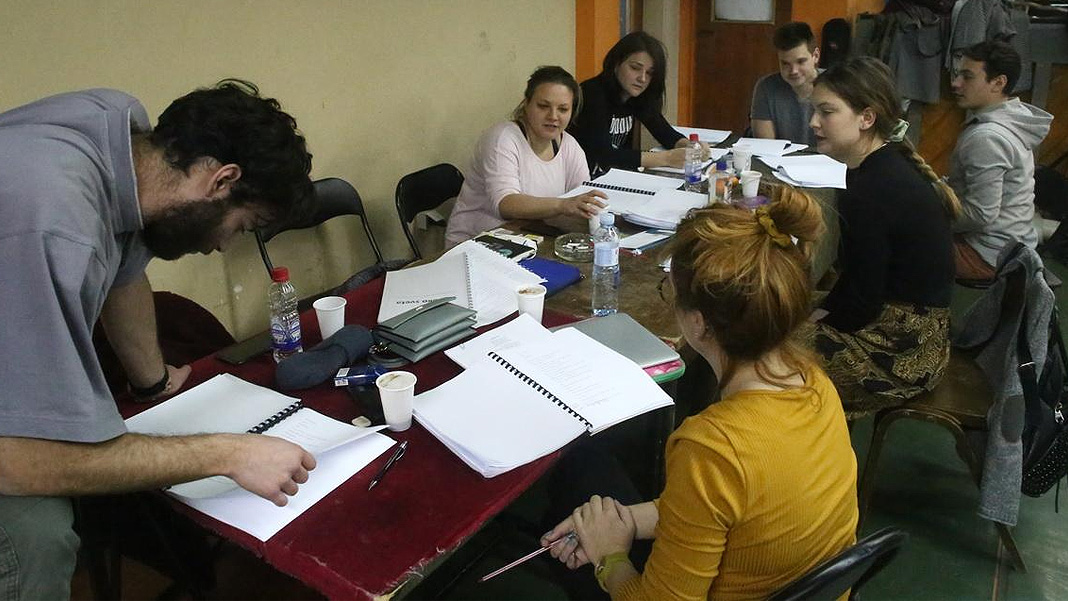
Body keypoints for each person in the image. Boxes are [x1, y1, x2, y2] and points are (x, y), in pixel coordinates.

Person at [0, 80, 316, 599]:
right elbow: (18, 458)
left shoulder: (124, 141)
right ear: (223, 180)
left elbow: (124, 271)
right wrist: (227, 454)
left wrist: (152, 384)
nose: (223, 246)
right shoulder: (55, 225)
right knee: (37, 535)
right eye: (243, 225)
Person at [543, 188, 859, 600]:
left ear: (697, 323)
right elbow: (724, 507)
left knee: (581, 464)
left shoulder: (711, 447)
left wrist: (609, 556)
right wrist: (628, 522)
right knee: (592, 469)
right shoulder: (814, 382)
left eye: (669, 291)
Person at [806, 57, 960, 416]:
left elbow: (862, 301)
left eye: (826, 112)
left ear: (867, 118)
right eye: (814, 111)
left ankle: (799, 436)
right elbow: (858, 281)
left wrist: (816, 321)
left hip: (904, 352)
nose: (814, 122)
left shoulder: (871, 189)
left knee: (764, 340)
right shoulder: (878, 167)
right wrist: (817, 312)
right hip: (914, 329)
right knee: (780, 305)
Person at [445, 66, 607, 247]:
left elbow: (580, 200)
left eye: (563, 109)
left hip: (532, 239)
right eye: (543, 106)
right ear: (526, 104)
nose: (553, 116)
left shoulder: (569, 145)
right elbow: (506, 204)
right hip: (475, 244)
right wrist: (562, 205)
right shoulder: (503, 138)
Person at [948, 40, 1053, 282]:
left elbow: (979, 214)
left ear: (998, 83)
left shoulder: (988, 137)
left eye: (967, 77)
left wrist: (926, 216)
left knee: (893, 233)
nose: (955, 83)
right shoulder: (1011, 120)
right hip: (1015, 246)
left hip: (987, 255)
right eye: (957, 74)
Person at [568, 31, 699, 175]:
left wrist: (690, 147)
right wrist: (666, 158)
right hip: (584, 180)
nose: (642, 78)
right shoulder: (592, 93)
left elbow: (663, 131)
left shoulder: (635, 96)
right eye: (635, 68)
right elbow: (605, 154)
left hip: (617, 177)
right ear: (616, 63)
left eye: (649, 73)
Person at [750, 22, 821, 146]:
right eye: (785, 63)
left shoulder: (836, 86)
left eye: (801, 61)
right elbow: (764, 146)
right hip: (778, 157)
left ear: (815, 56)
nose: (793, 71)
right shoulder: (766, 87)